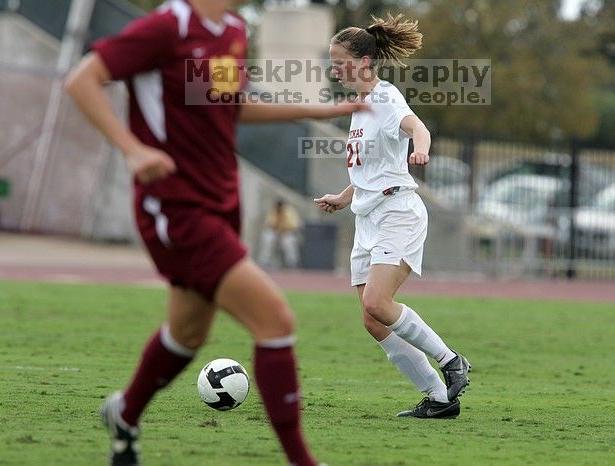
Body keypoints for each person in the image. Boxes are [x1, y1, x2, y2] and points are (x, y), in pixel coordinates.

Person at [64, 0, 366, 464]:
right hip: (176, 207)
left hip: (222, 201)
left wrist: (320, 109)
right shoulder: (167, 27)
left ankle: (124, 414)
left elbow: (232, 106)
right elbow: (82, 79)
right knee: (275, 320)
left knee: (186, 334)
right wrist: (131, 151)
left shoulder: (233, 31)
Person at [314, 14, 472, 419]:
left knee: (378, 302)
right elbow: (371, 170)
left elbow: (417, 127)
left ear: (364, 62)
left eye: (341, 62)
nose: (335, 70)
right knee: (373, 320)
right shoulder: (360, 107)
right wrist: (344, 196)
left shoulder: (385, 98)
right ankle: (439, 398)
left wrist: (421, 148)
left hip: (398, 213)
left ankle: (452, 361)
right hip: (367, 218)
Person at [258, 199, 302, 268]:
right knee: (268, 237)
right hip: (276, 233)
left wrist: (283, 220)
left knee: (288, 241)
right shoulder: (273, 211)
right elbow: (269, 224)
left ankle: (292, 263)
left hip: (287, 233)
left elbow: (294, 226)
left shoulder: (290, 211)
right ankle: (265, 261)